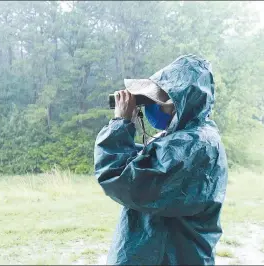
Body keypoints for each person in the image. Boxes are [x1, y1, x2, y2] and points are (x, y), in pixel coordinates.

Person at [94, 54, 228, 265]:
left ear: (180, 102)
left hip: (166, 255)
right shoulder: (193, 137)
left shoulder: (190, 146)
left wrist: (120, 123)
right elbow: (147, 165)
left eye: (159, 100)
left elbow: (118, 177)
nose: (152, 106)